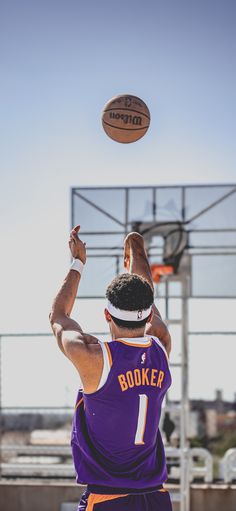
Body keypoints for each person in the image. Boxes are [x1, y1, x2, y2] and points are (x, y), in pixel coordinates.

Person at [50, 225, 172, 511]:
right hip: (155, 498)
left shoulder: (93, 358)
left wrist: (77, 262)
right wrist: (136, 248)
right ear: (148, 315)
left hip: (110, 498)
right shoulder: (161, 348)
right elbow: (148, 303)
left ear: (107, 314)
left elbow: (58, 316)